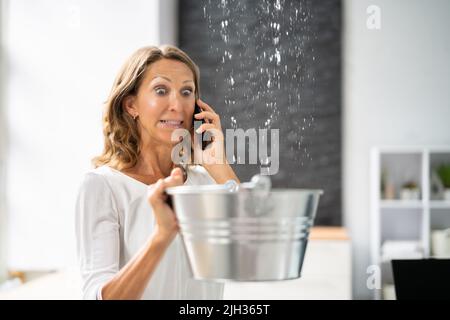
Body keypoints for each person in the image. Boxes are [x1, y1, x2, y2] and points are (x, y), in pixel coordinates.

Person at [75, 45, 239, 300]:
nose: (176, 104)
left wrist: (221, 168)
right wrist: (161, 236)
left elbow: (254, 250)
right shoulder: (103, 186)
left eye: (187, 91)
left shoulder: (208, 181)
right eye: (161, 90)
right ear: (131, 105)